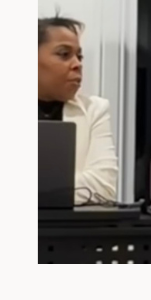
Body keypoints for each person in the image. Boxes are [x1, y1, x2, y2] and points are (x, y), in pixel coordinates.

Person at [38, 17, 117, 203]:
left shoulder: (95, 110)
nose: (77, 64)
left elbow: (103, 189)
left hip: (73, 230)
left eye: (79, 56)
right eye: (64, 54)